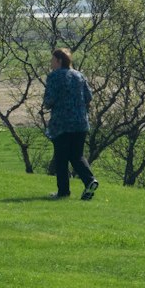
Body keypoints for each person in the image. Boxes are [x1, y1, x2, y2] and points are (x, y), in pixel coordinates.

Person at [42, 47, 99, 200]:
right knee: (77, 155)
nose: (51, 63)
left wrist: (49, 104)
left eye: (53, 60)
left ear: (59, 60)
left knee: (61, 158)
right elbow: (88, 97)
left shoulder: (54, 77)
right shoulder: (79, 75)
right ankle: (90, 181)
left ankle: (63, 192)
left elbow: (49, 100)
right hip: (81, 123)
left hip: (62, 123)